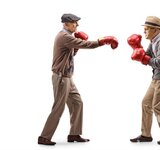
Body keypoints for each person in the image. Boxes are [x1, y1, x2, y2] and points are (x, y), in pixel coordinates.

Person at [38, 13, 118, 145]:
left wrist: (75, 49)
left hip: (68, 77)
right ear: (66, 24)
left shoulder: (68, 36)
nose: (77, 25)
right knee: (58, 107)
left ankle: (74, 134)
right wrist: (102, 41)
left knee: (77, 102)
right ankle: (44, 137)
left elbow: (72, 53)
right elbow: (86, 44)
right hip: (61, 77)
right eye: (74, 22)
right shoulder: (63, 36)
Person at [128, 16, 160, 144]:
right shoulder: (153, 41)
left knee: (158, 107)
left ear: (155, 30)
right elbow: (148, 55)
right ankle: (146, 135)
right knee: (146, 103)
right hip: (157, 77)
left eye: (146, 29)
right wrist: (137, 48)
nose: (144, 32)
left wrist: (144, 59)